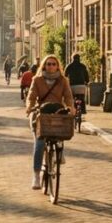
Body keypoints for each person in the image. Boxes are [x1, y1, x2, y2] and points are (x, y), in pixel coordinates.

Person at [25, 55, 74, 189]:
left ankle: (59, 149)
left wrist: (70, 107)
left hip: (56, 113)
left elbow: (68, 97)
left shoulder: (63, 81)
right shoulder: (37, 80)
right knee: (39, 142)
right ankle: (36, 174)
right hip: (40, 112)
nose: (51, 66)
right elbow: (31, 96)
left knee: (61, 129)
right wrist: (30, 107)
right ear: (44, 66)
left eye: (53, 64)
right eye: (48, 64)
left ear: (58, 66)